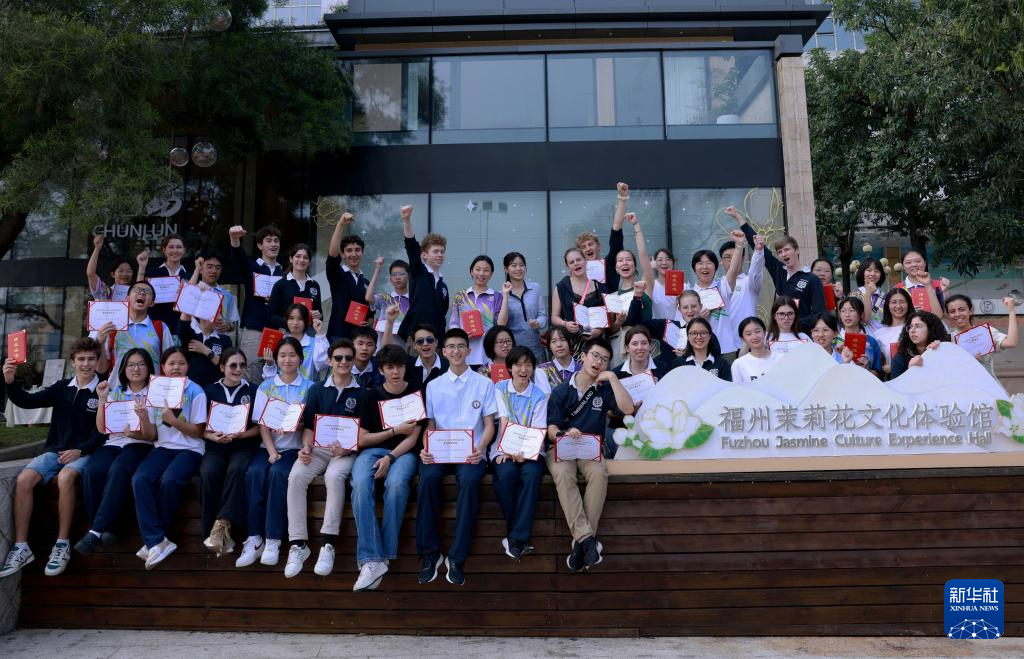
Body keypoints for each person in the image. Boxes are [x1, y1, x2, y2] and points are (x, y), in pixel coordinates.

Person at [0, 338, 104, 578]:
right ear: (73, 362)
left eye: (91, 359)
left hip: (86, 452)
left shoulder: (102, 390)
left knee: (66, 478)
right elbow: (27, 402)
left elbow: (104, 432)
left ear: (98, 361)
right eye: (81, 359)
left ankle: (61, 544)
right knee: (24, 479)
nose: (86, 364)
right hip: (55, 451)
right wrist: (10, 381)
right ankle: (21, 547)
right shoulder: (62, 387)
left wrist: (80, 450)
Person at [417, 328, 497, 587]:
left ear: (469, 350)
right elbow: (430, 425)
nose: (456, 351)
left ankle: (457, 557)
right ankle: (430, 554)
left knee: (470, 483)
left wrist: (480, 448)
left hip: (471, 452)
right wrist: (425, 448)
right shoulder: (433, 385)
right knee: (427, 480)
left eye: (461, 346)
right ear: (444, 351)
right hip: (440, 451)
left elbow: (489, 425)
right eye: (451, 346)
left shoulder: (484, 383)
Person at [547, 337, 634, 572]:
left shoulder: (604, 390)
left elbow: (627, 409)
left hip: (590, 450)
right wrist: (563, 433)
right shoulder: (561, 390)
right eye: (595, 356)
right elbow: (551, 428)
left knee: (599, 472)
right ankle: (587, 540)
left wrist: (613, 378)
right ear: (583, 357)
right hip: (563, 447)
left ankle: (581, 544)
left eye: (605, 359)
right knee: (563, 474)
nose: (599, 362)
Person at [284, 339, 364, 579]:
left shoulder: (363, 393)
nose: (343, 362)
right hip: (318, 450)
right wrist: (306, 447)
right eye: (338, 358)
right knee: (296, 476)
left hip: (346, 452)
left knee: (334, 476)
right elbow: (309, 426)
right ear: (329, 361)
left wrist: (347, 450)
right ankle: (298, 544)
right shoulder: (317, 389)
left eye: (348, 358)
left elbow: (364, 433)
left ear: (353, 361)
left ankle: (328, 543)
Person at [352, 344, 425, 591]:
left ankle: (382, 557)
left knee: (396, 485)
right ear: (381, 370)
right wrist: (393, 431)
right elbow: (362, 439)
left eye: (400, 366)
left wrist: (390, 458)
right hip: (372, 451)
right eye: (390, 367)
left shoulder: (415, 393)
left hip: (403, 453)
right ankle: (371, 558)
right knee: (360, 485)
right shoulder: (371, 396)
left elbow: (413, 439)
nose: (395, 372)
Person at [236, 337, 314, 569]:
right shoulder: (266, 386)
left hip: (294, 447)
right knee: (254, 473)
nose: (287, 360)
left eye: (292, 355)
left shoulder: (310, 387)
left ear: (300, 358)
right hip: (267, 446)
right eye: (282, 355)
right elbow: (262, 424)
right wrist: (270, 452)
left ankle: (273, 539)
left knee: (279, 474)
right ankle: (254, 538)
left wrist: (295, 426)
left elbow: (310, 423)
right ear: (276, 359)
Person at [74, 349, 158, 556]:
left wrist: (139, 426)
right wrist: (102, 399)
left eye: (141, 364)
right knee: (92, 471)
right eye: (131, 364)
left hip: (140, 444)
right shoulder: (115, 392)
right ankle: (107, 529)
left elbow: (153, 435)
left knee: (119, 469)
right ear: (124, 368)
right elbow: (102, 429)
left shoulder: (155, 393)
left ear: (148, 367)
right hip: (114, 443)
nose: (136, 369)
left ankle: (94, 531)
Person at [131, 346, 208, 569]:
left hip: (190, 449)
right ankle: (157, 541)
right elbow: (151, 435)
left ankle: (155, 540)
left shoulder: (196, 391)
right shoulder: (154, 390)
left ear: (188, 366)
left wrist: (174, 421)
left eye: (181, 363)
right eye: (171, 363)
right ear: (163, 366)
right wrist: (143, 418)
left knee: (170, 480)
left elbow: (198, 431)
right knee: (140, 479)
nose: (176, 367)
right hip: (162, 448)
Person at [199, 348, 260, 557]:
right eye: (233, 365)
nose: (238, 369)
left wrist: (241, 435)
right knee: (208, 473)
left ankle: (224, 527)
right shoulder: (209, 391)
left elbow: (260, 427)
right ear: (222, 367)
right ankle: (209, 531)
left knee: (236, 470)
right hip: (216, 447)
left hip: (243, 446)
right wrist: (212, 437)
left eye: (242, 365)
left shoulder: (253, 390)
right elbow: (200, 428)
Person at [491, 346, 548, 562]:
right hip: (503, 448)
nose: (523, 370)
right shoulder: (499, 389)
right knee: (506, 475)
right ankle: (519, 538)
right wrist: (509, 450)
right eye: (518, 365)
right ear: (509, 367)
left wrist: (524, 452)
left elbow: (538, 429)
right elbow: (504, 420)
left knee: (531, 475)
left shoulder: (539, 395)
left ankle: (514, 538)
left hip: (532, 450)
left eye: (528, 365)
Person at [728, 206, 825, 326]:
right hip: (779, 333)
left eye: (787, 250)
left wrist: (794, 324)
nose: (783, 254)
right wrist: (738, 217)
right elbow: (760, 247)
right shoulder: (780, 271)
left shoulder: (812, 279)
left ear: (797, 250)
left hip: (802, 334)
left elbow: (818, 314)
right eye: (780, 252)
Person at [229, 224, 284, 384]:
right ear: (260, 245)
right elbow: (238, 258)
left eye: (276, 240)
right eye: (269, 240)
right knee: (251, 374)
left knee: (277, 375)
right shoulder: (252, 267)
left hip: (278, 331)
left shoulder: (284, 272)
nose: (273, 244)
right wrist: (234, 239)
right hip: (255, 331)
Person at [91, 280, 175, 378]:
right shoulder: (112, 327)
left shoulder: (161, 327)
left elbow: (171, 364)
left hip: (151, 387)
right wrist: (100, 343)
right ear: (127, 298)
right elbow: (101, 369)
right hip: (118, 387)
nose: (142, 293)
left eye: (147, 292)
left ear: (152, 303)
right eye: (137, 290)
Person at [606, 213, 656, 362]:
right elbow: (611, 330)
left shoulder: (645, 285)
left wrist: (636, 225)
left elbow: (642, 253)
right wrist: (618, 322)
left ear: (635, 265)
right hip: (621, 346)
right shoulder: (613, 296)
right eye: (620, 260)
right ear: (616, 268)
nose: (625, 263)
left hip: (646, 343)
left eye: (628, 259)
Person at [687, 230, 745, 351]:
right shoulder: (689, 294)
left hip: (725, 348)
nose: (704, 267)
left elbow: (733, 269)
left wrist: (739, 245)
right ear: (694, 269)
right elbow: (684, 324)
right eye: (700, 263)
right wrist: (698, 317)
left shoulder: (723, 286)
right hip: (700, 350)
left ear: (715, 268)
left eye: (709, 263)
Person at [399, 205, 449, 340]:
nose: (440, 255)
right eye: (435, 251)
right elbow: (411, 246)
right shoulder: (418, 271)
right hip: (416, 338)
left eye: (442, 252)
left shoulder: (443, 286)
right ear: (424, 255)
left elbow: (442, 313)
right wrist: (406, 220)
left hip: (437, 341)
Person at [551, 247, 606, 359]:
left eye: (578, 259)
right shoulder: (561, 287)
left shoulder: (600, 288)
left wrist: (596, 332)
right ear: (568, 267)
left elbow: (605, 320)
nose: (576, 263)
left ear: (585, 260)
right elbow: (554, 317)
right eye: (571, 262)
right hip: (569, 346)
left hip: (594, 346)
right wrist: (566, 324)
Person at [449, 255, 504, 368]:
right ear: (471, 271)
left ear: (491, 274)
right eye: (477, 269)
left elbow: (499, 325)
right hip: (463, 353)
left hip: (486, 353)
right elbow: (453, 323)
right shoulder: (461, 296)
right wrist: (462, 336)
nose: (481, 273)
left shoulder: (496, 297)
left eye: (486, 270)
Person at [946, 294, 1019, 378]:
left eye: (961, 309)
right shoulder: (948, 340)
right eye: (952, 311)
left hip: (988, 383)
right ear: (948, 315)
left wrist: (1011, 311)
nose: (957, 314)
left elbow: (1011, 342)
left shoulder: (985, 332)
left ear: (971, 311)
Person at [575, 181, 629, 292]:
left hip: (611, 303)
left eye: (590, 244)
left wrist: (622, 198)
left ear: (598, 246)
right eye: (583, 247)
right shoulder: (578, 271)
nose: (588, 248)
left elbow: (616, 228)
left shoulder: (610, 263)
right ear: (580, 252)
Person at [717, 232, 766, 356]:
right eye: (727, 257)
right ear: (721, 260)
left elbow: (756, 271)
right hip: (723, 345)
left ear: (742, 259)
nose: (731, 260)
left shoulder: (749, 282)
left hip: (747, 344)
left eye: (735, 256)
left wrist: (758, 251)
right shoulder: (717, 285)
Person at [326, 212, 372, 340]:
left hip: (360, 340)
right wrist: (340, 225)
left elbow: (370, 314)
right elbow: (332, 255)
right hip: (338, 337)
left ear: (362, 252)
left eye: (357, 250)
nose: (353, 254)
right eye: (349, 250)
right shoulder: (337, 274)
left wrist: (369, 322)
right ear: (342, 254)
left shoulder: (366, 282)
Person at [496, 252, 547, 362]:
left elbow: (543, 316)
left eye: (521, 265)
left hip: (537, 349)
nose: (518, 268)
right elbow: (500, 325)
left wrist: (538, 322)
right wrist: (505, 295)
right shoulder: (500, 294)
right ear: (506, 269)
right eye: (514, 265)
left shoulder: (535, 288)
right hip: (514, 351)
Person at [261, 303, 328, 382]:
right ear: (286, 320)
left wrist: (319, 333)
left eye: (300, 319)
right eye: (291, 318)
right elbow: (270, 380)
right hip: (283, 389)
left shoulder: (316, 342)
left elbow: (322, 365)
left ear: (306, 321)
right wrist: (270, 364)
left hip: (309, 389)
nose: (295, 322)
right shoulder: (279, 342)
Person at [137, 233, 191, 327]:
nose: (175, 251)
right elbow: (138, 294)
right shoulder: (152, 274)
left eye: (179, 247)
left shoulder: (190, 277)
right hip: (156, 325)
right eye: (171, 247)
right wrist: (141, 267)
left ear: (184, 250)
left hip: (182, 326)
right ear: (164, 250)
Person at [177, 297, 233, 389]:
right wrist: (192, 295)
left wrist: (206, 351)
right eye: (217, 313)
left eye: (220, 313)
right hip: (192, 390)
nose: (220, 318)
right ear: (203, 315)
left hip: (216, 389)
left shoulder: (225, 340)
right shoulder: (191, 336)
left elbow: (228, 366)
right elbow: (183, 324)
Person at [267, 243, 323, 330]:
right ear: (291, 259)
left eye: (305, 257)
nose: (301, 260)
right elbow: (271, 316)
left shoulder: (314, 285)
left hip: (308, 333)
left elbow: (320, 315)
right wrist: (290, 323)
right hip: (286, 333)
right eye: (298, 256)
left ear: (309, 262)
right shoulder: (281, 284)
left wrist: (318, 316)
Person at [366, 258, 411, 350]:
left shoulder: (413, 301)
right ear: (390, 279)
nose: (397, 277)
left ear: (409, 276)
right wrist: (377, 269)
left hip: (403, 347)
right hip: (382, 346)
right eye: (394, 275)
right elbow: (368, 297)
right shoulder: (385, 298)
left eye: (401, 274)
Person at [889, 311, 950, 378]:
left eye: (918, 326)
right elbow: (896, 384)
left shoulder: (943, 348)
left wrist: (941, 350)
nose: (912, 330)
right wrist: (911, 370)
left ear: (931, 329)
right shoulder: (900, 358)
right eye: (910, 327)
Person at [869, 288, 914, 375]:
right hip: (890, 379)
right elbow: (877, 363)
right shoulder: (879, 334)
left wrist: (894, 367)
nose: (898, 306)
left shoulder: (915, 328)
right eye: (894, 302)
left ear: (908, 304)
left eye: (902, 302)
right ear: (887, 305)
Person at [192, 252, 240, 333]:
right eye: (209, 267)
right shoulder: (192, 291)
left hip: (220, 339)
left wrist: (227, 326)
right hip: (195, 338)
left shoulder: (227, 296)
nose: (214, 271)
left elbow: (233, 323)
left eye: (218, 268)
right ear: (200, 269)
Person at [836, 296, 883, 377]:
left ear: (861, 314)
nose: (847, 315)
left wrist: (867, 369)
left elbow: (878, 373)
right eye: (843, 311)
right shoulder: (834, 341)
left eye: (851, 310)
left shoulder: (871, 342)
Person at [896, 250, 950, 314]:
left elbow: (947, 311)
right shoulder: (898, 288)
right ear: (903, 266)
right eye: (908, 262)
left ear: (925, 263)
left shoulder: (938, 285)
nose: (913, 265)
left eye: (918, 261)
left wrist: (945, 291)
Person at [731, 317, 781, 382]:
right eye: (749, 334)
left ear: (764, 333)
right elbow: (738, 388)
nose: (754, 337)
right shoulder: (738, 364)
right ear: (743, 338)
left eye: (757, 331)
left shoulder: (781, 358)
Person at [86, 234, 134, 302]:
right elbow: (91, 274)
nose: (125, 274)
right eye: (121, 271)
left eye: (129, 271)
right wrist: (97, 248)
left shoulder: (137, 293)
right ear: (113, 274)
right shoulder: (106, 292)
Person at [534, 326, 580, 395]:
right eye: (554, 341)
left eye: (563, 340)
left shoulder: (582, 368)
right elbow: (545, 399)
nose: (559, 345)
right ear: (549, 346)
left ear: (570, 342)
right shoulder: (542, 370)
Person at [854, 257, 887, 325]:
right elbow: (864, 319)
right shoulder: (854, 295)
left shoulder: (886, 296)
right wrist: (868, 293)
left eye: (876, 271)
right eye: (869, 270)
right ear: (862, 272)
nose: (873, 274)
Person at [650, 248, 679, 320]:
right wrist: (650, 269)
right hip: (657, 325)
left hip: (678, 326)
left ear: (673, 263)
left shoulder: (683, 286)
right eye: (660, 260)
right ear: (654, 263)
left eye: (668, 259)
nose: (664, 262)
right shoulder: (651, 286)